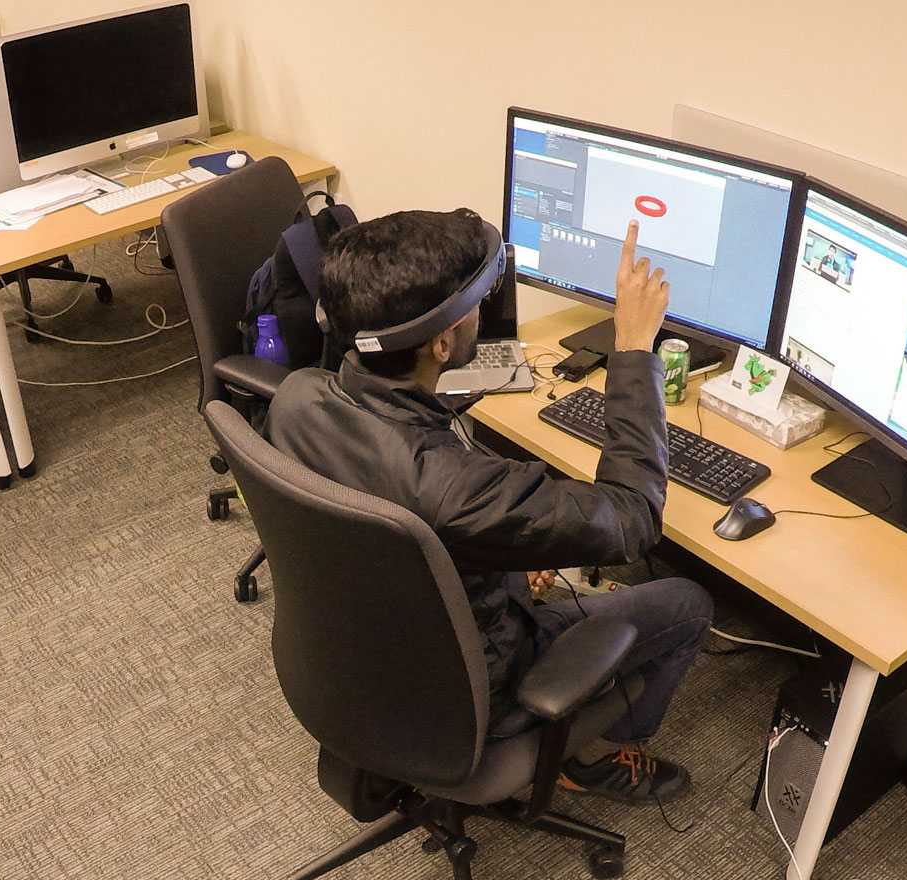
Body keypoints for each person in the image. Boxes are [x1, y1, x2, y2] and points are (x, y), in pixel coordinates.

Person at [264, 209, 712, 805]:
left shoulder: (297, 398)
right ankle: (586, 756)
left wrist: (497, 555)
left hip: (348, 668)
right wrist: (632, 349)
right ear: (444, 341)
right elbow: (632, 517)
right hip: (472, 698)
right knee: (689, 602)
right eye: (472, 303)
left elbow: (396, 518)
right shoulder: (461, 491)